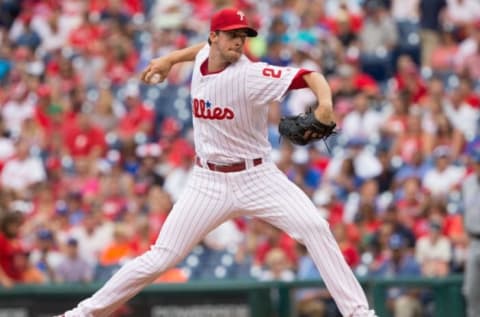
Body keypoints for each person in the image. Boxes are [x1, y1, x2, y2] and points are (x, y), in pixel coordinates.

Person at [60, 8, 376, 317]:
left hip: (258, 178)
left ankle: (359, 313)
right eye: (232, 36)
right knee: (161, 257)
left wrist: (325, 104)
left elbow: (311, 76)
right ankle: (81, 314)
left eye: (243, 36)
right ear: (214, 37)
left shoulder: (251, 74)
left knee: (315, 227)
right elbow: (200, 51)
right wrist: (170, 59)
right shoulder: (203, 58)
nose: (239, 42)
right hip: (207, 182)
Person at [461, 151, 480, 317]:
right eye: (477, 163)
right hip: (473, 240)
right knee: (471, 291)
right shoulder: (468, 183)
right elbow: (464, 212)